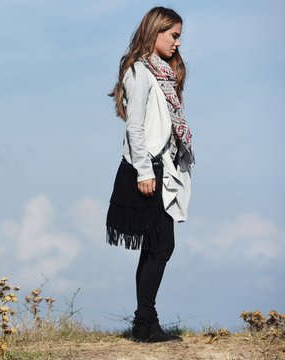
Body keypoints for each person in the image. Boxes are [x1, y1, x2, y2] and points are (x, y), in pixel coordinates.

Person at [106, 7, 195, 343]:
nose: (178, 42)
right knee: (160, 246)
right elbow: (136, 126)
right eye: (173, 35)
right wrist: (144, 171)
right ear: (155, 31)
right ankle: (145, 322)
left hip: (161, 167)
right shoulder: (139, 71)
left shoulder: (162, 73)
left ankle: (144, 321)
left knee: (156, 246)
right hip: (147, 169)